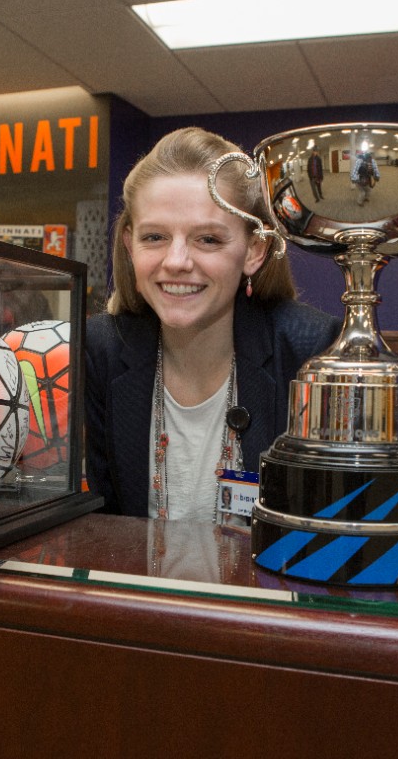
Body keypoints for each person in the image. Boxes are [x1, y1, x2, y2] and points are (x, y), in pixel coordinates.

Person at [85, 127, 341, 520]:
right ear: (129, 244)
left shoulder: (310, 352)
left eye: (207, 239)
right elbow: (99, 523)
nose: (176, 261)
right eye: (155, 237)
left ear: (255, 250)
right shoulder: (100, 350)